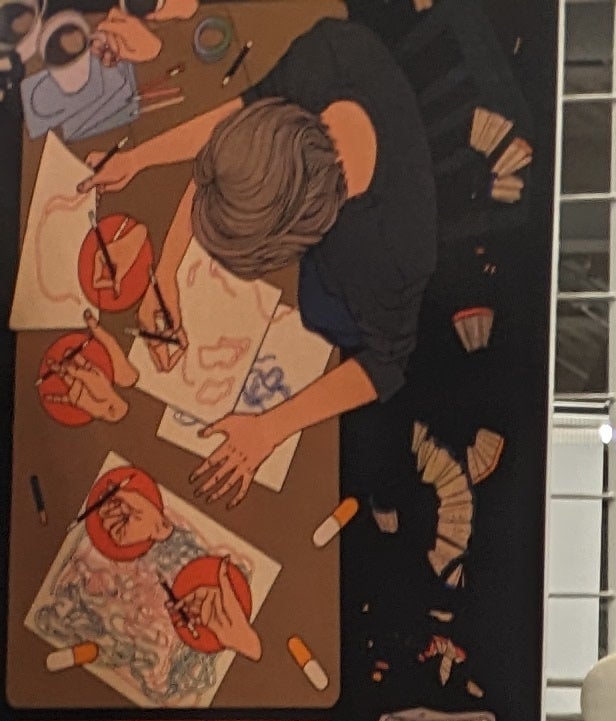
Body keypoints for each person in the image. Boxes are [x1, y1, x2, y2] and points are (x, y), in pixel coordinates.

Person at [106, 10, 437, 504]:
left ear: (301, 238)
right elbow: (238, 126)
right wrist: (165, 270)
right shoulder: (326, 56)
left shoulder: (391, 258)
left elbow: (386, 364)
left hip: (355, 298)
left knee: (321, 316)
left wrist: (269, 429)